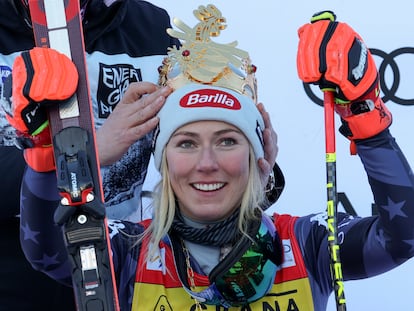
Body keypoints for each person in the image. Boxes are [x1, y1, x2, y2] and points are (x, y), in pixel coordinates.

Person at [10, 4, 414, 311]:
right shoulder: (129, 252)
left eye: (226, 141)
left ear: (261, 154)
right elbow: (45, 250)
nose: (206, 162)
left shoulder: (307, 245)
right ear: (163, 160)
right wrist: (52, 153)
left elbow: (402, 237)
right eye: (185, 143)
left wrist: (364, 114)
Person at [0, 0, 177, 309]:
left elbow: (195, 147)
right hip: (14, 272)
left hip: (115, 262)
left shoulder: (151, 29)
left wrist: (257, 169)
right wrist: (86, 154)